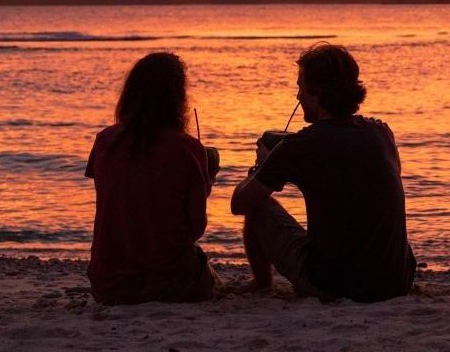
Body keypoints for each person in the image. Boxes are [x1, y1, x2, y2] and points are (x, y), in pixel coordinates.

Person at [231, 43, 415, 302]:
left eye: (301, 89)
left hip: (334, 285)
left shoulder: (300, 146)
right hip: (397, 282)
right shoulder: (382, 133)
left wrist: (263, 167)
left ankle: (262, 283)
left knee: (260, 204)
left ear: (317, 93)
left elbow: (240, 204)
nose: (297, 97)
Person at [85, 52, 220, 304]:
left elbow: (115, 205)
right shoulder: (188, 149)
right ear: (177, 98)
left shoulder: (104, 141)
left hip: (109, 286)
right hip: (172, 284)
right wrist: (202, 190)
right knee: (208, 274)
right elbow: (195, 230)